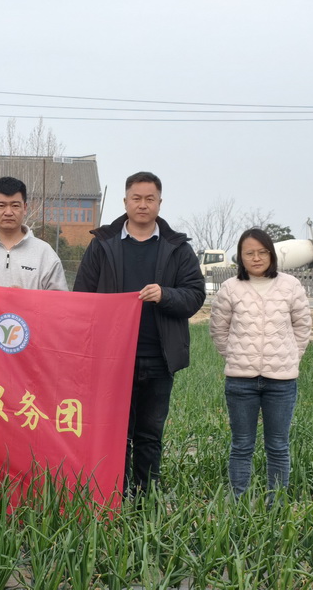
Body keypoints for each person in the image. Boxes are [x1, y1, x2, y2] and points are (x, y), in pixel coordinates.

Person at [73, 171, 205, 497]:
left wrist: (165, 295)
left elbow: (194, 296)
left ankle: (146, 499)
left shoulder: (177, 248)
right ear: (125, 202)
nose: (143, 205)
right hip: (113, 359)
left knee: (150, 435)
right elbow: (82, 298)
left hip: (159, 358)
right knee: (115, 433)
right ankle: (114, 495)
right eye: (137, 198)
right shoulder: (103, 245)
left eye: (150, 199)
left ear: (160, 203)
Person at [209, 228, 311, 499]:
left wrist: (291, 357)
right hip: (240, 382)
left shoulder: (291, 286)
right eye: (249, 253)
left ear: (271, 254)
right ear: (240, 257)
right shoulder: (230, 288)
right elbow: (218, 329)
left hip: (282, 382)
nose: (256, 258)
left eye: (262, 252)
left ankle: (275, 504)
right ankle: (238, 501)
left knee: (277, 445)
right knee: (241, 445)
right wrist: (235, 356)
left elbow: (302, 327)